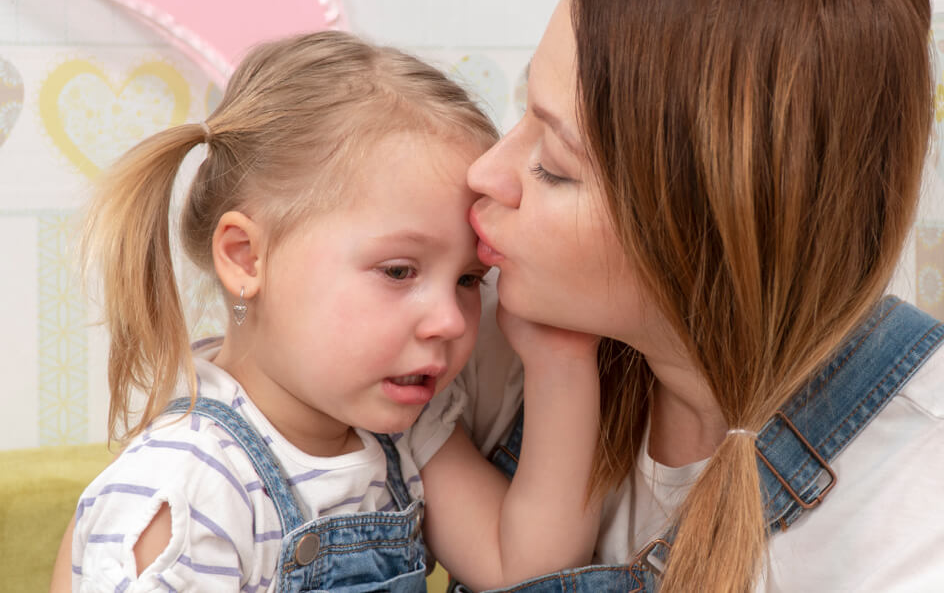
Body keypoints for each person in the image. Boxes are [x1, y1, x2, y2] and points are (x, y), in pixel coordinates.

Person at [459, 0, 944, 591]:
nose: (484, 172)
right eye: (524, 118)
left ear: (708, 223)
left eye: (554, 167)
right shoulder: (481, 343)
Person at [69, 30, 601, 592]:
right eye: (399, 271)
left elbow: (527, 571)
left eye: (470, 279)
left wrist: (560, 359)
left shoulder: (407, 430)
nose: (451, 320)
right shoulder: (191, 488)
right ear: (247, 257)